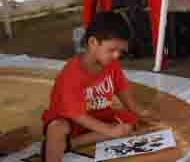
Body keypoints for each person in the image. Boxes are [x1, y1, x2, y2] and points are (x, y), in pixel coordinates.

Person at [41, 12, 153, 162]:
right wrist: (108, 130)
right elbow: (76, 114)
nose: (117, 55)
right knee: (57, 128)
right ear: (93, 42)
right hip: (71, 120)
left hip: (99, 116)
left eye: (120, 51)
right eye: (112, 50)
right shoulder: (71, 72)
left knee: (129, 124)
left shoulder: (111, 64)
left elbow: (121, 89)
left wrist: (139, 111)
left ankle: (71, 144)